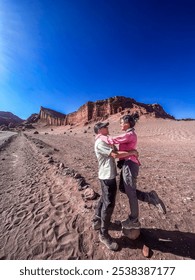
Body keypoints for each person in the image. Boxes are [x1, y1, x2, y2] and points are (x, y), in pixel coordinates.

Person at [111, 113, 166, 230]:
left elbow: (114, 139)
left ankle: (134, 220)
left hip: (130, 165)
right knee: (122, 188)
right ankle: (150, 197)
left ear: (126, 124)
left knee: (131, 193)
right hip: (127, 164)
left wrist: (102, 137)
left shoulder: (130, 134)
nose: (120, 125)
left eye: (121, 123)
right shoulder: (129, 134)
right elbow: (120, 146)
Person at [93, 121, 138, 251]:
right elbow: (115, 155)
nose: (107, 128)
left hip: (108, 175)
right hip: (107, 176)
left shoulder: (106, 141)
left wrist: (128, 151)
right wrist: (132, 153)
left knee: (104, 199)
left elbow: (118, 151)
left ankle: (96, 221)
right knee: (109, 204)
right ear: (99, 130)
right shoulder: (100, 142)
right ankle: (103, 234)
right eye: (104, 127)